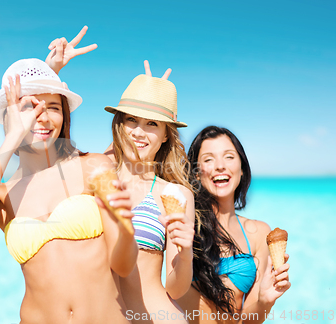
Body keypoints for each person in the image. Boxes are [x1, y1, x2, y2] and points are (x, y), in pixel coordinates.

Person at [0, 58, 138, 324]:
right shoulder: (2, 194)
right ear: (10, 118)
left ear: (64, 115)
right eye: (29, 107)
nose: (42, 116)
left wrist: (125, 230)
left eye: (53, 107)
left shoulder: (92, 166)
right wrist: (12, 137)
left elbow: (123, 266)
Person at [47, 30, 195, 324]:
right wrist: (51, 72)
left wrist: (187, 252)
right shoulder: (93, 173)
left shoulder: (176, 195)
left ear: (167, 135)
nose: (138, 132)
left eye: (152, 123)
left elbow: (175, 289)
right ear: (119, 123)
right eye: (131, 120)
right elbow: (43, 152)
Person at [176, 126, 291, 323]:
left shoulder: (259, 233)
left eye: (229, 157)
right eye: (208, 159)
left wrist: (265, 301)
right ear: (195, 173)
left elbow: (248, 320)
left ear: (242, 168)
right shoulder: (184, 225)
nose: (220, 166)